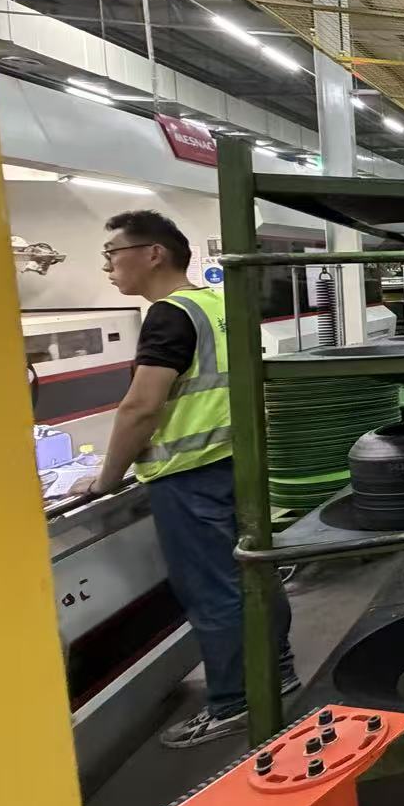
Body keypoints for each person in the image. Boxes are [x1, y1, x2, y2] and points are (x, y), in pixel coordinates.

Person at [86, 210, 297, 747]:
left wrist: (106, 478)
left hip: (189, 474)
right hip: (238, 461)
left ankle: (233, 702)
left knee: (213, 591)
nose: (108, 266)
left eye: (113, 253)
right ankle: (277, 671)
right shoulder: (219, 305)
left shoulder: (169, 315)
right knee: (255, 572)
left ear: (153, 253)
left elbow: (141, 407)